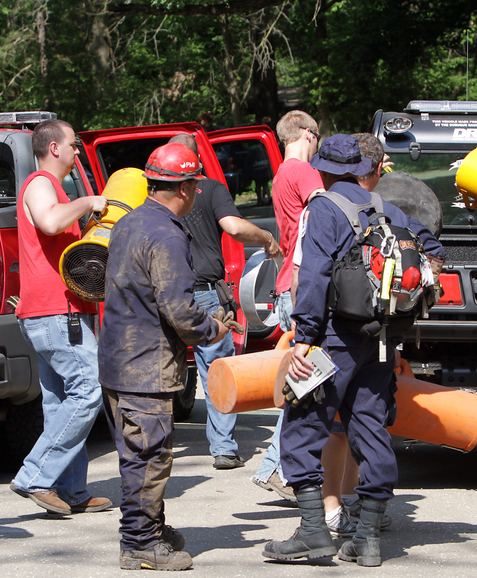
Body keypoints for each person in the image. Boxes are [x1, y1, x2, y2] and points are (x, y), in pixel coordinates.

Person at [263, 134, 413, 567]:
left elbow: (313, 276)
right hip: (379, 339)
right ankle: (367, 539)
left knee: (301, 425)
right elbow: (431, 251)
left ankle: (313, 531)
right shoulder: (385, 208)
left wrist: (305, 336)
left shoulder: (324, 208)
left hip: (331, 338)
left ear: (324, 170)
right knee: (370, 429)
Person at [99, 142, 229, 571]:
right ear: (186, 187)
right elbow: (179, 311)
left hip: (119, 360)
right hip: (146, 368)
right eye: (194, 185)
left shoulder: (130, 221)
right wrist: (214, 328)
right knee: (149, 458)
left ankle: (149, 528)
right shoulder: (167, 234)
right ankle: (139, 543)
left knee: (135, 454)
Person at [7, 120, 112, 516]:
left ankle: (71, 489)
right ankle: (35, 475)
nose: (78, 150)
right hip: (54, 313)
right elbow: (49, 222)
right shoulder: (39, 184)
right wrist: (88, 202)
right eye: (74, 143)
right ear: (53, 148)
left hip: (60, 311)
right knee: (88, 391)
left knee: (61, 402)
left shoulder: (54, 190)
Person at [172, 134, 281, 470]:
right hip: (205, 293)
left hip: (166, 293)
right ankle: (223, 449)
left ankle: (154, 446)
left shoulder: (155, 196)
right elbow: (233, 227)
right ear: (198, 163)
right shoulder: (213, 189)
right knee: (215, 369)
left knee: (160, 371)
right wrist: (267, 238)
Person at [251, 110, 323, 502]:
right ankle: (277, 467)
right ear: (308, 135)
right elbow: (325, 220)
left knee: (306, 385)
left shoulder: (281, 174)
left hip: (285, 287)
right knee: (307, 386)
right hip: (301, 286)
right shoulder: (304, 173)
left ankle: (283, 467)